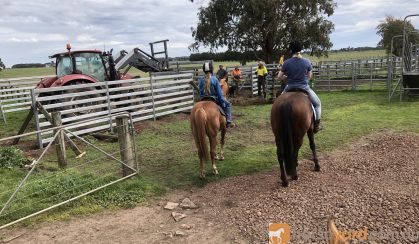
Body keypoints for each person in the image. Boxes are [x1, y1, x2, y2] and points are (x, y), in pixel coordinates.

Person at [277, 41, 322, 133]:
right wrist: (304, 80)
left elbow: (279, 76)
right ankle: (316, 126)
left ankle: (278, 122)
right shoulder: (307, 62)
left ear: (291, 51)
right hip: (304, 87)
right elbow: (309, 76)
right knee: (317, 104)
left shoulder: (286, 63)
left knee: (278, 104)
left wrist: (286, 78)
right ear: (300, 50)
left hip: (289, 87)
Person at [199, 62, 234, 128]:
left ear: (204, 70)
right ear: (212, 69)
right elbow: (220, 94)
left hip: (203, 100)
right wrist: (223, 100)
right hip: (213, 100)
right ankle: (228, 121)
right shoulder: (215, 79)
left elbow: (200, 93)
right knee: (228, 104)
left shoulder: (201, 80)